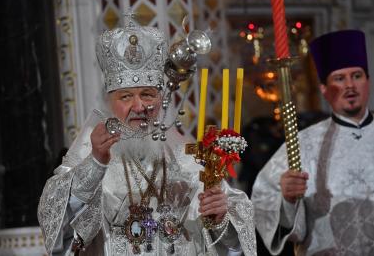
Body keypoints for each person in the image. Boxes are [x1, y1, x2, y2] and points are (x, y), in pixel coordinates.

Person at [38, 18, 257, 256]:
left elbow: (233, 229)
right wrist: (96, 163)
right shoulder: (89, 151)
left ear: (161, 99)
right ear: (110, 103)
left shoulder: (184, 155)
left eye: (147, 94)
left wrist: (220, 216)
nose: (139, 106)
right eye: (126, 97)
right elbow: (54, 218)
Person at [251, 29, 374, 255]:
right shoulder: (303, 144)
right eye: (339, 78)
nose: (350, 85)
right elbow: (264, 200)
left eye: (357, 76)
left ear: (367, 81)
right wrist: (287, 199)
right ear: (324, 90)